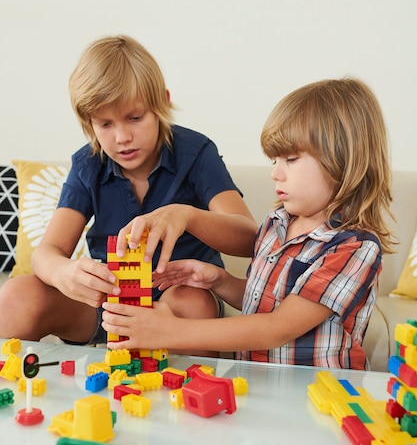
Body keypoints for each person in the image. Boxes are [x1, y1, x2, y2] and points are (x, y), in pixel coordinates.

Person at [102, 77, 395, 370]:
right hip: (261, 382)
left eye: (290, 159)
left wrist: (170, 331)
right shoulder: (276, 223)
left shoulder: (353, 247)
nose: (276, 174)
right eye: (274, 162)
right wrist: (219, 281)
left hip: (318, 392)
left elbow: (278, 327)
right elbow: (265, 302)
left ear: (342, 160)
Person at [0, 35, 257, 347]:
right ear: (88, 123)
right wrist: (63, 273)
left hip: (182, 303)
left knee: (191, 302)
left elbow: (248, 238)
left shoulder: (196, 153)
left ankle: (176, 390)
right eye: (105, 124)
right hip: (111, 305)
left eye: (135, 118)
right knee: (16, 295)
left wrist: (187, 216)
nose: (122, 137)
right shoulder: (88, 165)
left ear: (161, 102)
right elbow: (47, 253)